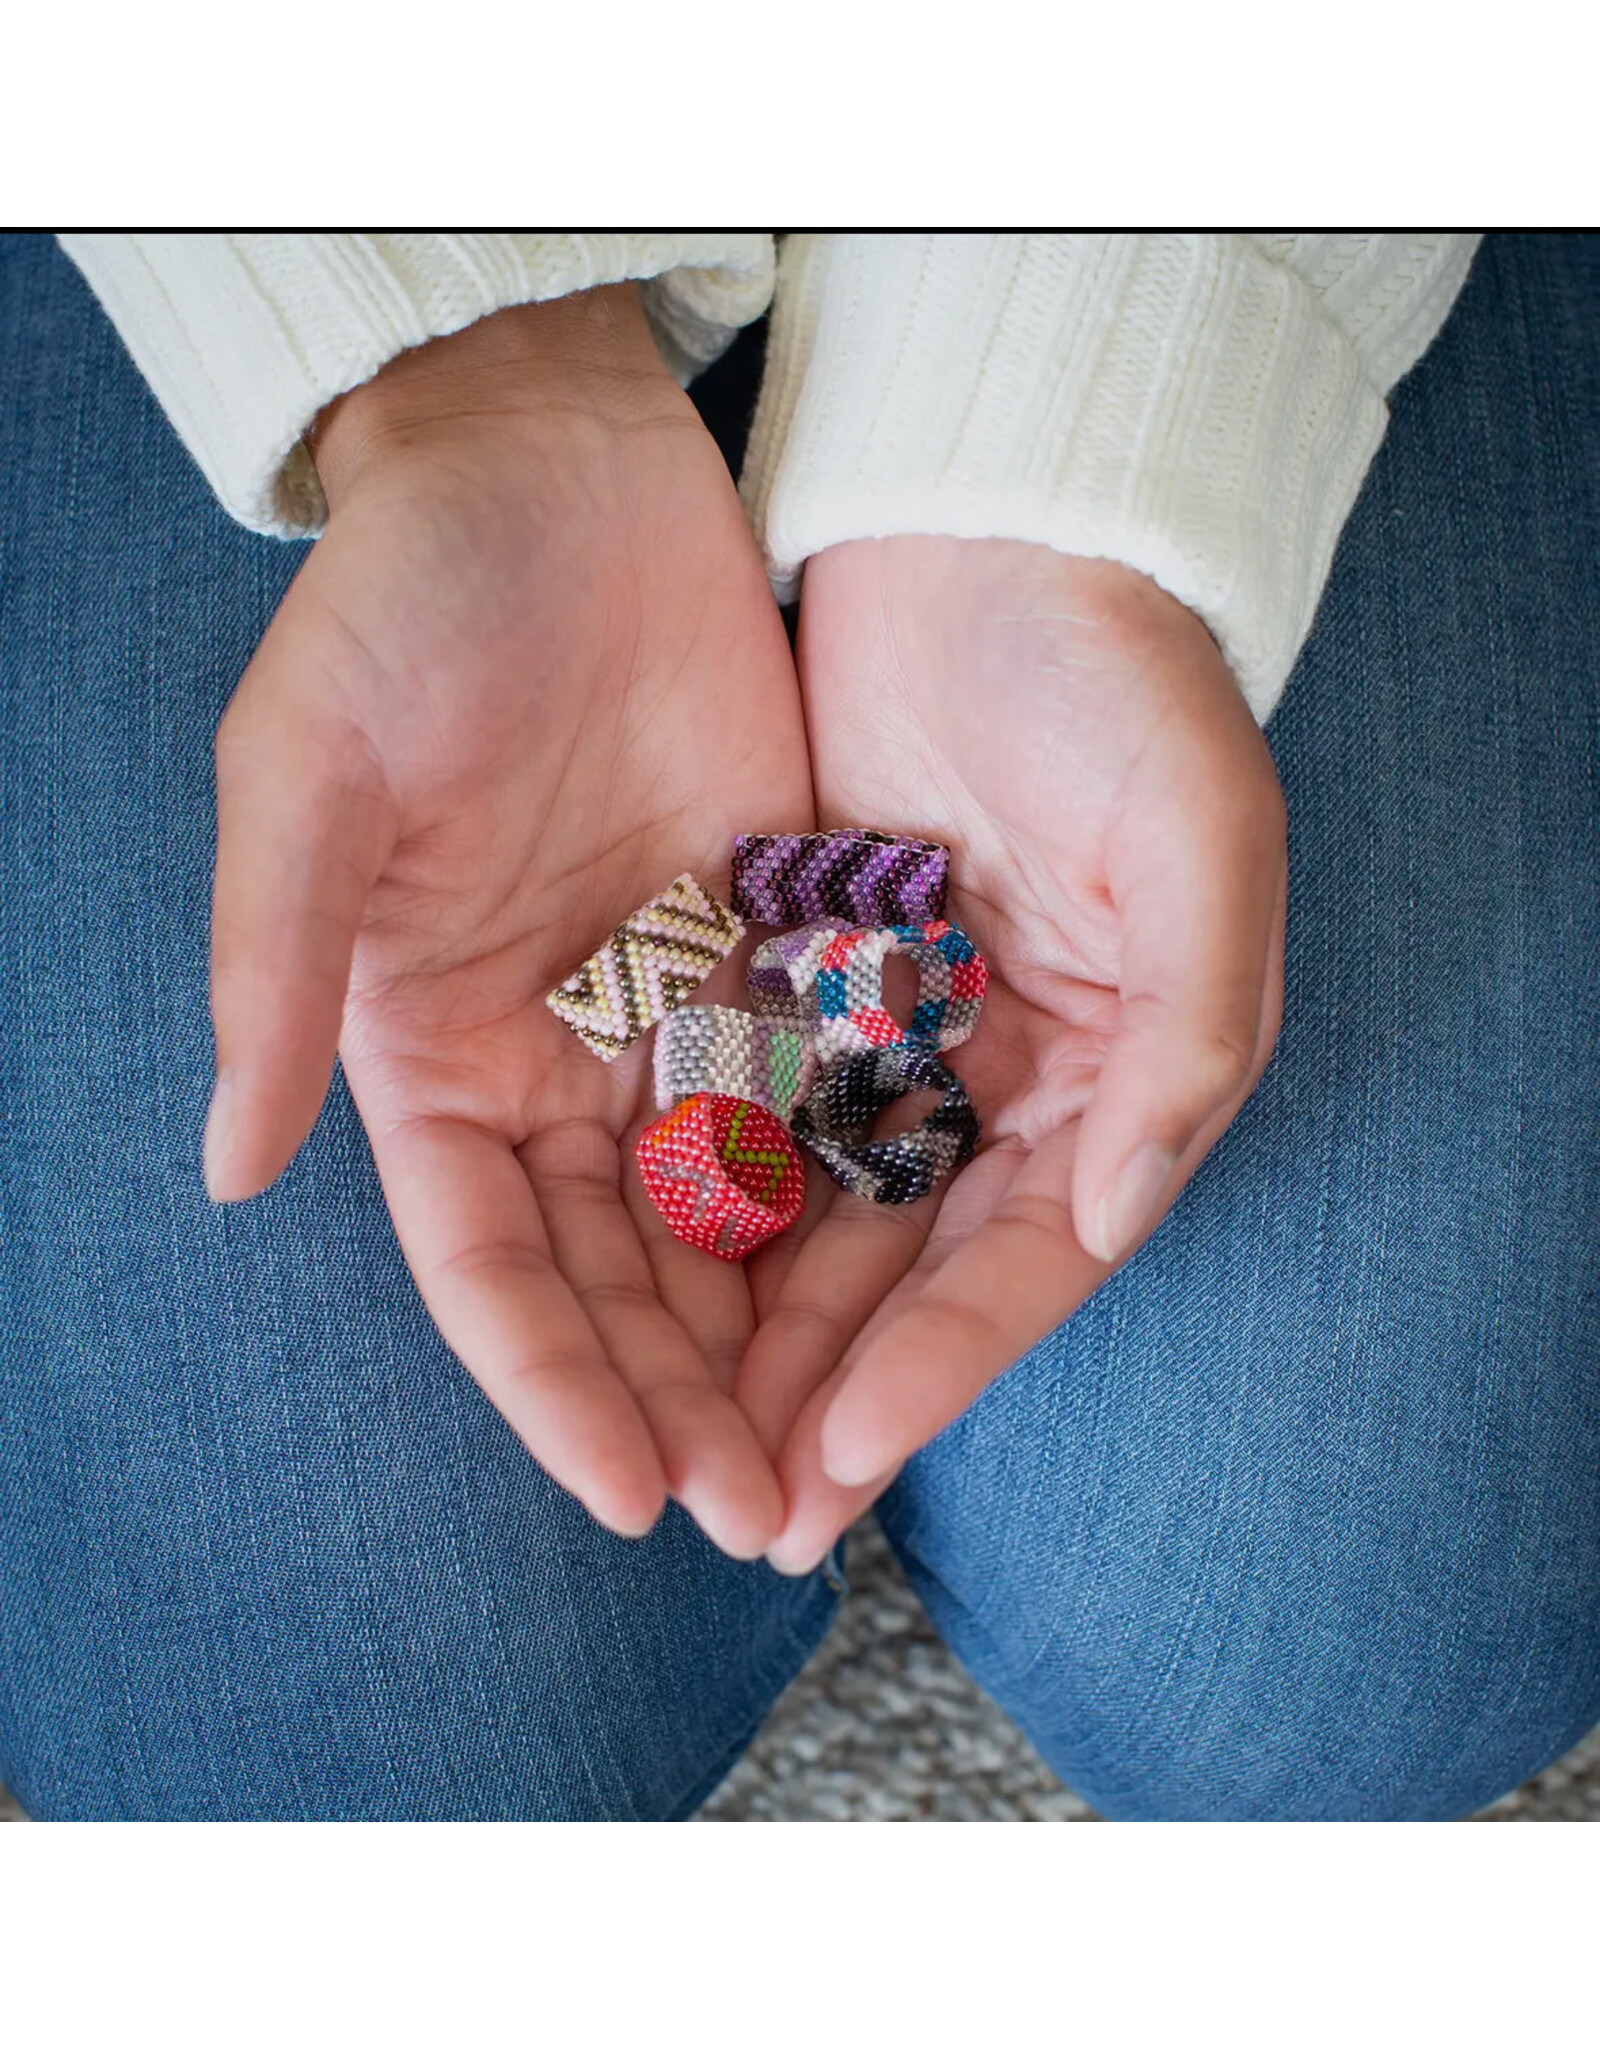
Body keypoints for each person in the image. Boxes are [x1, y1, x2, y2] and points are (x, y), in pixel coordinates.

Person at [0, 230, 1594, 1822]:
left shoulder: (859, 997)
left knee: (1332, 1673)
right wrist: (457, 372)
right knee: (321, 1760)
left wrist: (1059, 484)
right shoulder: (745, 994)